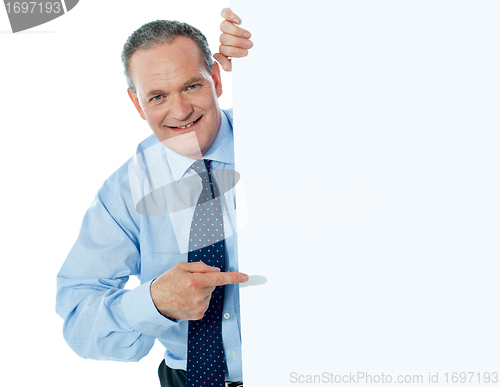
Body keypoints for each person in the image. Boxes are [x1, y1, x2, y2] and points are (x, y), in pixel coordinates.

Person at [56, 8, 253, 387]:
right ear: (136, 103)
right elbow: (78, 321)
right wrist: (155, 303)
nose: (180, 111)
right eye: (158, 96)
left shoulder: (286, 140)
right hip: (187, 379)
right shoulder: (125, 192)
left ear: (215, 78)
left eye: (192, 86)